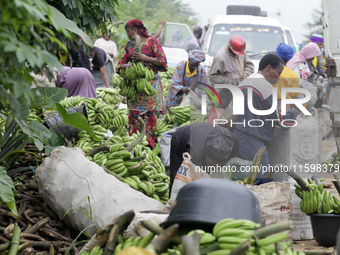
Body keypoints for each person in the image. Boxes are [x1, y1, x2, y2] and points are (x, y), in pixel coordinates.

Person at [233, 54, 299, 185]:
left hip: (238, 136)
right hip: (254, 142)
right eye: (278, 73)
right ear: (268, 68)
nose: (279, 77)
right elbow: (280, 121)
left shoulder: (244, 83)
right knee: (264, 182)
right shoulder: (265, 87)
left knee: (243, 179)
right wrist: (293, 113)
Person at [117, 19, 167, 148]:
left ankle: (148, 148)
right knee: (133, 119)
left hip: (151, 87)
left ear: (134, 30)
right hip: (134, 89)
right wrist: (130, 65)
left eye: (128, 32)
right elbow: (119, 65)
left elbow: (163, 62)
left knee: (150, 119)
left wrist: (143, 58)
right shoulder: (129, 45)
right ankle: (132, 147)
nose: (127, 35)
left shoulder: (152, 42)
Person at [169, 122, 239, 195]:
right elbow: (198, 179)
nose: (215, 168)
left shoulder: (232, 144)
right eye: (212, 164)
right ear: (205, 153)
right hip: (181, 140)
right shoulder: (196, 154)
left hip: (201, 133)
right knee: (177, 180)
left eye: (219, 165)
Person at [208, 35, 254, 108]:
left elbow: (250, 66)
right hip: (225, 93)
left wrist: (244, 75)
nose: (237, 54)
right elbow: (212, 77)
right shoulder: (220, 57)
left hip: (240, 90)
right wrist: (230, 81)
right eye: (235, 52)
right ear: (230, 47)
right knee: (226, 114)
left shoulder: (240, 51)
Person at [274, 43, 300, 110]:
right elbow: (294, 98)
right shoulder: (293, 75)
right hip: (286, 108)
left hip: (269, 106)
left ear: (275, 54)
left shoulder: (269, 71)